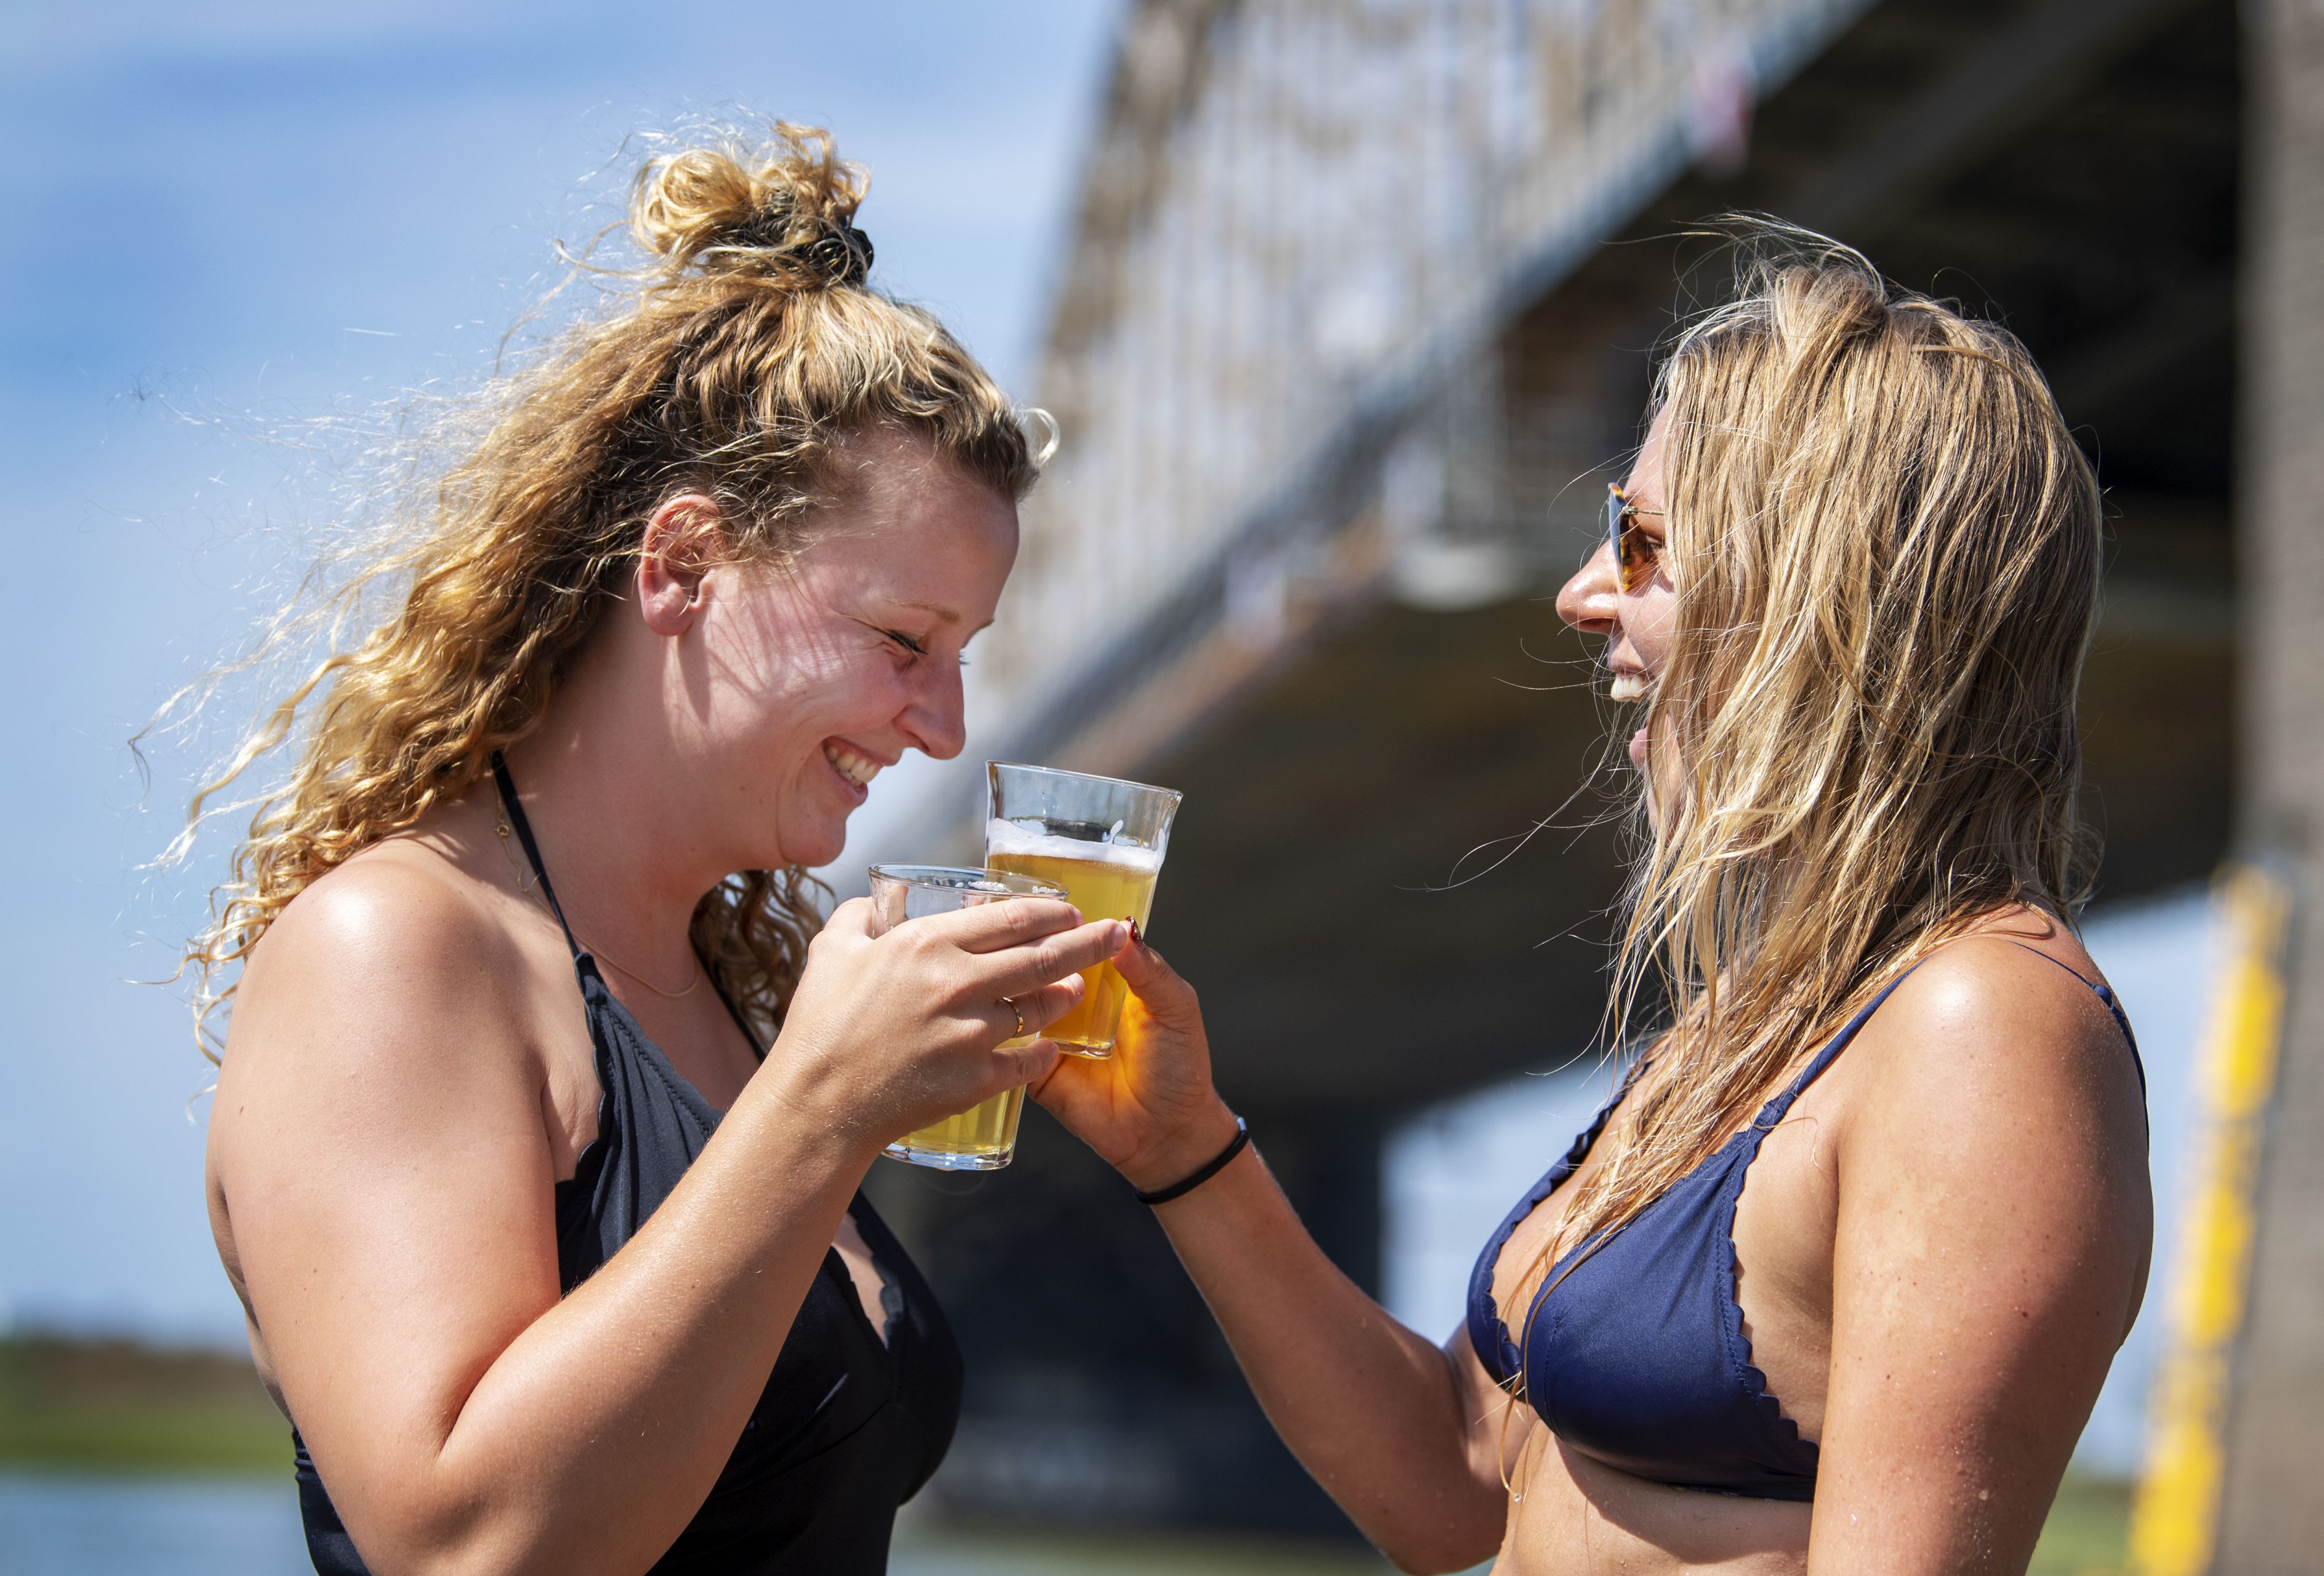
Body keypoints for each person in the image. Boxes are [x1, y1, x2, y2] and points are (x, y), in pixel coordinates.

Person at [1035, 232, 2153, 1573]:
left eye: (1642, 544)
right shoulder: (1761, 1017)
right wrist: (1183, 1148)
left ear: (1818, 588)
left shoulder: (1981, 1029)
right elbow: (1455, 1477)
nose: (1578, 595)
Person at [190, 125, 1124, 1576]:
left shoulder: (711, 984)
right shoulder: (396, 946)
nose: (942, 728)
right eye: (901, 642)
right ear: (682, 565)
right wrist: (823, 1107)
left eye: (962, 660)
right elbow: (466, 1547)